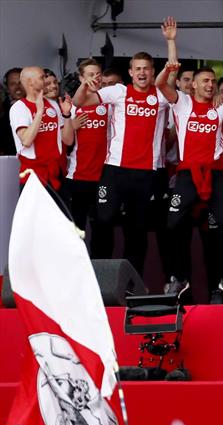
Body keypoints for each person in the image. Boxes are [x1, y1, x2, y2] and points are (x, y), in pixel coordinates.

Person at [72, 45, 171, 274]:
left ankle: (132, 281)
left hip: (146, 173)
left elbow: (179, 87)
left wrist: (170, 43)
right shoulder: (118, 91)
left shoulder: (161, 96)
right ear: (130, 72)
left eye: (146, 68)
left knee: (137, 230)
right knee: (103, 219)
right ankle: (100, 276)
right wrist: (84, 85)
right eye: (138, 69)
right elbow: (78, 103)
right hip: (115, 169)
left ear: (152, 72)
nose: (142, 73)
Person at [156, 53, 223, 302]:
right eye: (205, 81)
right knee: (173, 223)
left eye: (212, 81)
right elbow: (160, 84)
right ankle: (179, 277)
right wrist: (169, 67)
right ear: (193, 84)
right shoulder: (182, 102)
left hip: (214, 173)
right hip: (187, 173)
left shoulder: (221, 108)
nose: (210, 84)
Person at [62, 58, 110, 254]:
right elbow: (65, 141)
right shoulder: (72, 106)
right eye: (90, 75)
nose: (95, 79)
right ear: (81, 78)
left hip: (105, 176)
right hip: (78, 176)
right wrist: (71, 125)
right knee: (76, 229)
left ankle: (102, 269)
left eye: (98, 74)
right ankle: (75, 267)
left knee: (102, 228)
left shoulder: (110, 102)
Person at [9, 66, 74, 191]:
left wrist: (66, 115)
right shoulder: (19, 107)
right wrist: (39, 112)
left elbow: (68, 140)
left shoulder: (53, 104)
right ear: (30, 82)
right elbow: (26, 141)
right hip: (32, 175)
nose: (45, 80)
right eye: (42, 77)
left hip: (56, 173)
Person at [1, 67, 24, 155]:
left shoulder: (38, 107)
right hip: (10, 158)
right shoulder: (3, 112)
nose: (18, 87)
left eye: (20, 83)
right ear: (7, 88)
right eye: (12, 84)